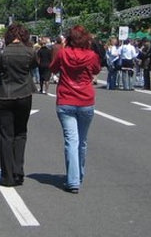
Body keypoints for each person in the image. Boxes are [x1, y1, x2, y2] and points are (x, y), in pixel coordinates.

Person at [49, 25, 101, 194]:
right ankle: (78, 175)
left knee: (71, 140)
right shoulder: (91, 55)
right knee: (82, 141)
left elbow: (53, 68)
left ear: (69, 39)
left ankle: (73, 180)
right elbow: (96, 70)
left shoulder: (63, 53)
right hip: (86, 100)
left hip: (66, 99)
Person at [0, 23, 38, 187]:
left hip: (5, 96)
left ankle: (7, 176)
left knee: (6, 135)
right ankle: (18, 172)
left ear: (8, 36)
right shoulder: (30, 52)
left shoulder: (2, 52)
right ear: (24, 36)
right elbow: (34, 66)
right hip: (24, 94)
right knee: (21, 133)